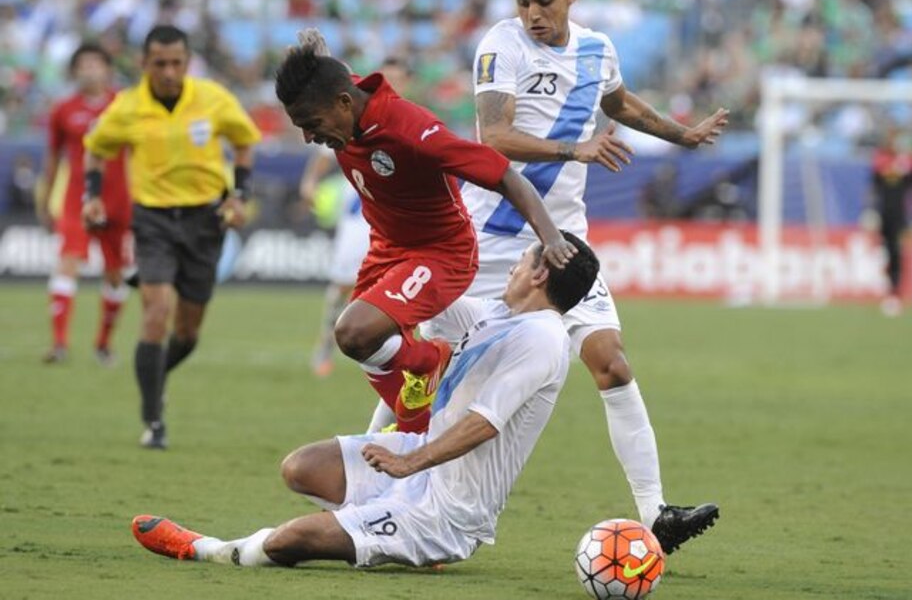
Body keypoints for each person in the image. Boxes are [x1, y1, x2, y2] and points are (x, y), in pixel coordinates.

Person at [448, 0, 728, 553]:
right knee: (440, 368)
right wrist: (575, 150)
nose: (532, 14)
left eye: (544, 1)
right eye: (522, 2)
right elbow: (494, 135)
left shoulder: (598, 49)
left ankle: (656, 513)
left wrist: (681, 135)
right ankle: (380, 479)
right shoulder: (501, 45)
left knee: (611, 361)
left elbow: (618, 103)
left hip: (564, 243)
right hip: (494, 240)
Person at [131, 232, 601, 569]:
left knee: (291, 539)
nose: (513, 266)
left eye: (521, 259)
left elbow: (485, 422)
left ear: (540, 273)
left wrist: (410, 461)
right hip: (419, 462)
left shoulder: (543, 338)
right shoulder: (495, 313)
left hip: (450, 510)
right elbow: (425, 300)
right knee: (300, 468)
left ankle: (206, 548)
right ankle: (376, 530)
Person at [273, 45, 575, 434]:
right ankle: (416, 434)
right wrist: (313, 56)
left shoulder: (412, 131)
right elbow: (339, 76)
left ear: (344, 103)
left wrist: (550, 237)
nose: (307, 137)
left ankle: (430, 362)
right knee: (364, 346)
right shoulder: (343, 103)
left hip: (440, 252)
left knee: (354, 332)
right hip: (386, 248)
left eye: (311, 123)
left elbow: (506, 177)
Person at [81, 25, 262, 449]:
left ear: (187, 62)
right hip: (153, 220)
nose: (168, 72)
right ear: (144, 63)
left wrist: (239, 197)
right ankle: (154, 421)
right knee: (156, 310)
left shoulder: (213, 98)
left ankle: (154, 375)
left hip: (205, 220)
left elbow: (244, 143)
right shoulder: (127, 107)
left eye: (176, 63)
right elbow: (96, 149)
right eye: (159, 63)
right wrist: (92, 196)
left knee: (188, 331)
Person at [300, 59, 411, 378]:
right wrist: (309, 183)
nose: (394, 83)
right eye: (389, 77)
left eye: (399, 78)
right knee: (343, 285)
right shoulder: (357, 115)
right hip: (359, 216)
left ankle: (399, 355)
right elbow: (324, 155)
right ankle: (325, 343)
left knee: (399, 287)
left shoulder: (411, 120)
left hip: (398, 219)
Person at [38, 42, 131, 365]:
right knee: (67, 262)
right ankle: (59, 344)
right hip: (77, 199)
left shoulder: (125, 105)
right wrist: (45, 198)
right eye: (83, 64)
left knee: (115, 274)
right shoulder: (63, 109)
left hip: (118, 200)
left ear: (108, 69)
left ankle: (103, 344)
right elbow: (53, 157)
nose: (89, 70)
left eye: (95, 63)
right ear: (74, 71)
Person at [867, 126, 912, 316]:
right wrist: (870, 210)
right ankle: (888, 290)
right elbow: (873, 187)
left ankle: (895, 292)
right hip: (884, 214)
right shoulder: (881, 159)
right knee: (886, 252)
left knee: (898, 252)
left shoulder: (909, 161)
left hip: (901, 216)